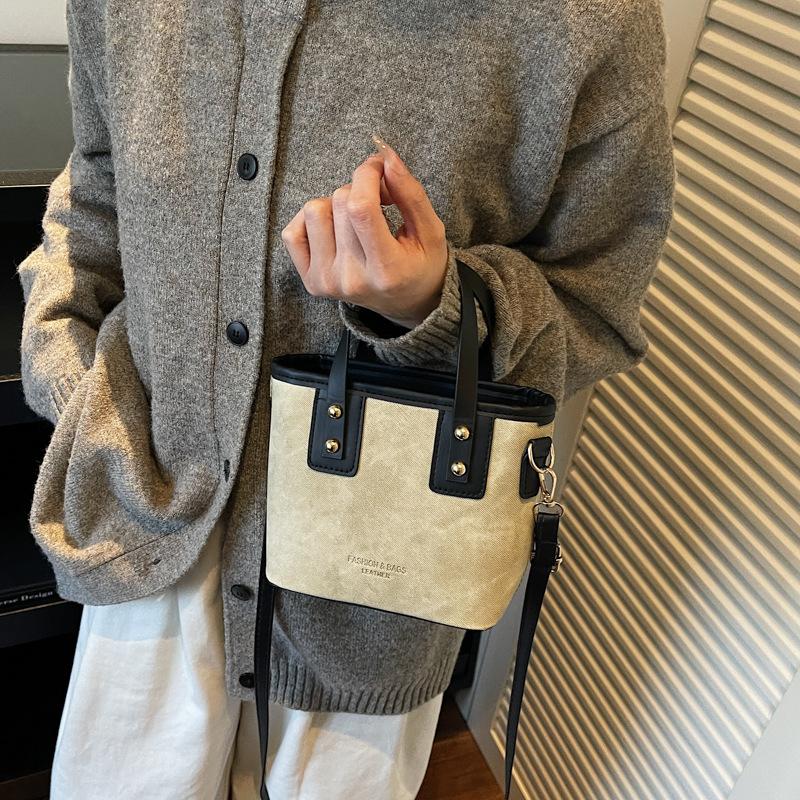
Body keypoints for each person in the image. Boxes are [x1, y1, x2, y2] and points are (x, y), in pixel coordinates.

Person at [16, 0, 675, 798]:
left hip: (376, 588)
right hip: (149, 515)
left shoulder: (584, 20)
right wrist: (67, 366)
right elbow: (97, 182)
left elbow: (597, 303)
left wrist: (436, 308)